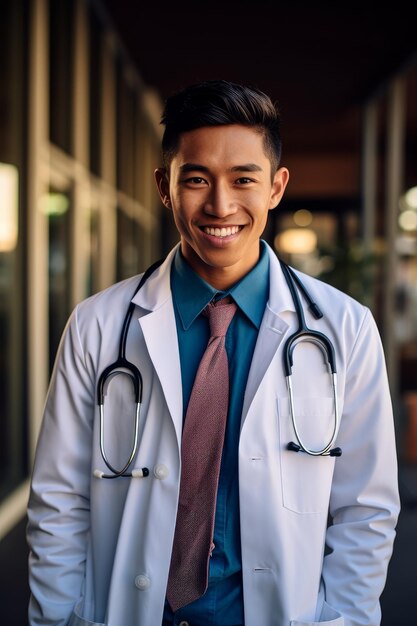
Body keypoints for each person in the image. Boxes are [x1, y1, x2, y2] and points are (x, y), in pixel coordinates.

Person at [27, 79, 400, 626]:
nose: (220, 204)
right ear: (164, 186)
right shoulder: (97, 325)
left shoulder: (345, 329)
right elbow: (59, 501)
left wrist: (345, 618)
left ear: (276, 187)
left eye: (243, 179)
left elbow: (365, 510)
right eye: (196, 179)